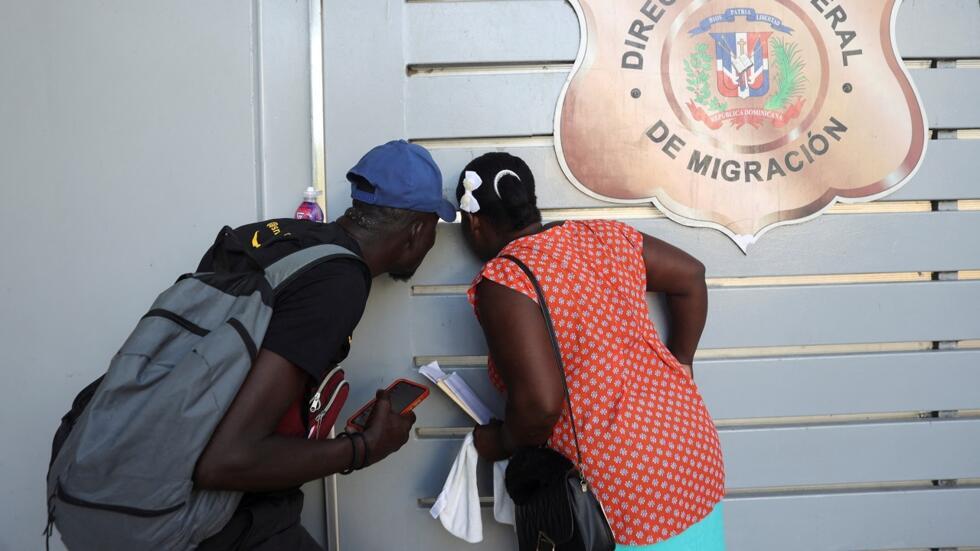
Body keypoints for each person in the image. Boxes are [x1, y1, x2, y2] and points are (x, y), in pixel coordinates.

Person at [193, 140, 457, 550]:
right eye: (432, 231)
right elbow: (227, 459)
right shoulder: (339, 283)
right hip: (215, 518)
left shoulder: (288, 240)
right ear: (417, 232)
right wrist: (363, 448)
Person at [457, 153, 726, 550]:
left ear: (474, 221)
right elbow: (690, 276)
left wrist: (499, 442)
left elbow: (540, 406)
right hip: (691, 451)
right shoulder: (601, 235)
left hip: (622, 491)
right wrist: (681, 360)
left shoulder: (505, 278)